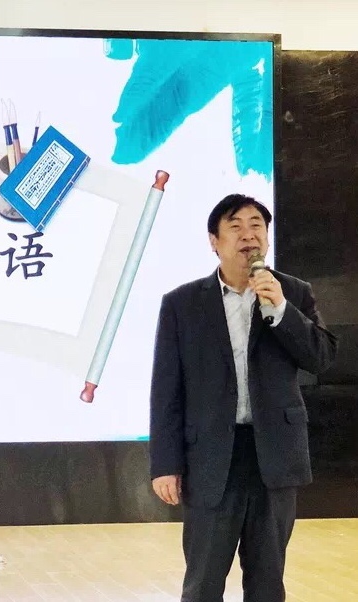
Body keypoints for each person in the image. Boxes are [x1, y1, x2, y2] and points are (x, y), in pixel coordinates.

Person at [149, 194, 338, 602]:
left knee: (267, 582)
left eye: (257, 226)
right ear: (214, 241)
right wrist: (165, 464)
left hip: (275, 456)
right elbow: (166, 390)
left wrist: (281, 310)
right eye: (235, 227)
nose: (248, 235)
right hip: (211, 459)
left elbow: (321, 358)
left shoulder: (293, 293)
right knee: (203, 582)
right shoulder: (182, 304)